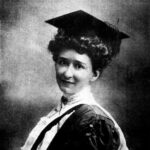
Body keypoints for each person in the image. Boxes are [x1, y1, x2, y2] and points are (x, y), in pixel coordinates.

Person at [21, 10, 129, 150]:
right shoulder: (64, 110)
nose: (67, 73)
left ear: (94, 74)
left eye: (78, 66)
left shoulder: (94, 121)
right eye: (63, 62)